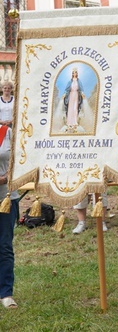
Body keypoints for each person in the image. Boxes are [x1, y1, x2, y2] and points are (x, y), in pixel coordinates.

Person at [0, 124, 18, 309]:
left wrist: (5, 179)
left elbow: (20, 162)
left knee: (4, 246)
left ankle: (6, 293)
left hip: (5, 198)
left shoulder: (7, 132)